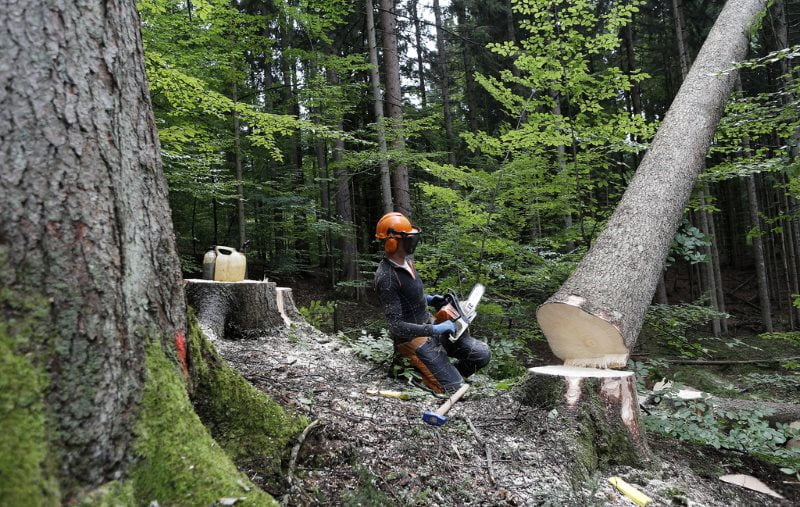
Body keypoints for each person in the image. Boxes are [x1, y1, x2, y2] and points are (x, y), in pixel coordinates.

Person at [373, 212, 491, 394]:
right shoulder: (386, 277)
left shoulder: (407, 262)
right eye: (407, 238)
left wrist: (430, 299)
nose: (412, 242)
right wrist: (435, 330)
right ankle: (429, 377)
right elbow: (396, 326)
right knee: (455, 389)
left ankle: (446, 375)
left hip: (429, 324)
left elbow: (409, 295)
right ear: (392, 242)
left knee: (481, 355)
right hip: (412, 340)